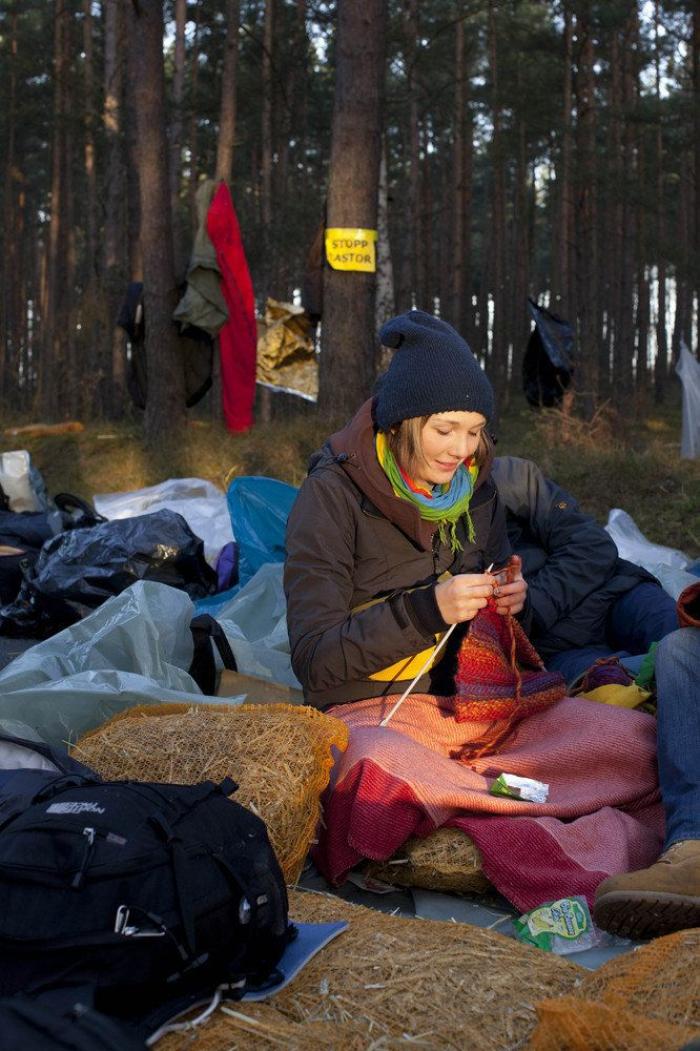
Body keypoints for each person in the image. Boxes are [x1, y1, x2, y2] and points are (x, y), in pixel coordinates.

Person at [284, 310, 527, 711]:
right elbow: (314, 661)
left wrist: (513, 602)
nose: (463, 450)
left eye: (474, 430)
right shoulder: (331, 496)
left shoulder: (477, 490)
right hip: (363, 709)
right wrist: (427, 611)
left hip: (465, 699)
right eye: (445, 431)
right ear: (399, 425)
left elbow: (501, 630)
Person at [491, 455, 678, 685]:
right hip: (557, 649)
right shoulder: (437, 536)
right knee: (621, 684)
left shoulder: (507, 478)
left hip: (616, 593)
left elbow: (593, 545)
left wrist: (534, 606)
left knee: (684, 639)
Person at [593, 583, 700, 938]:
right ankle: (691, 848)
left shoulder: (522, 530)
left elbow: (591, 554)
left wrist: (536, 598)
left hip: (612, 596)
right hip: (568, 641)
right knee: (679, 649)